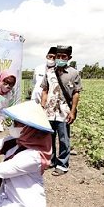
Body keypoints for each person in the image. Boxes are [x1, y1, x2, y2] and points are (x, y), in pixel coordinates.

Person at [40, 45, 82, 176]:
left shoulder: (74, 73)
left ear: (69, 58)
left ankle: (63, 164)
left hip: (64, 111)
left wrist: (73, 111)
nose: (60, 59)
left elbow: (76, 93)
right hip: (50, 111)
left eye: (63, 57)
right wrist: (42, 106)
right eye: (58, 56)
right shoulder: (49, 72)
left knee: (64, 139)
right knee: (49, 138)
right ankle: (51, 160)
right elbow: (45, 90)